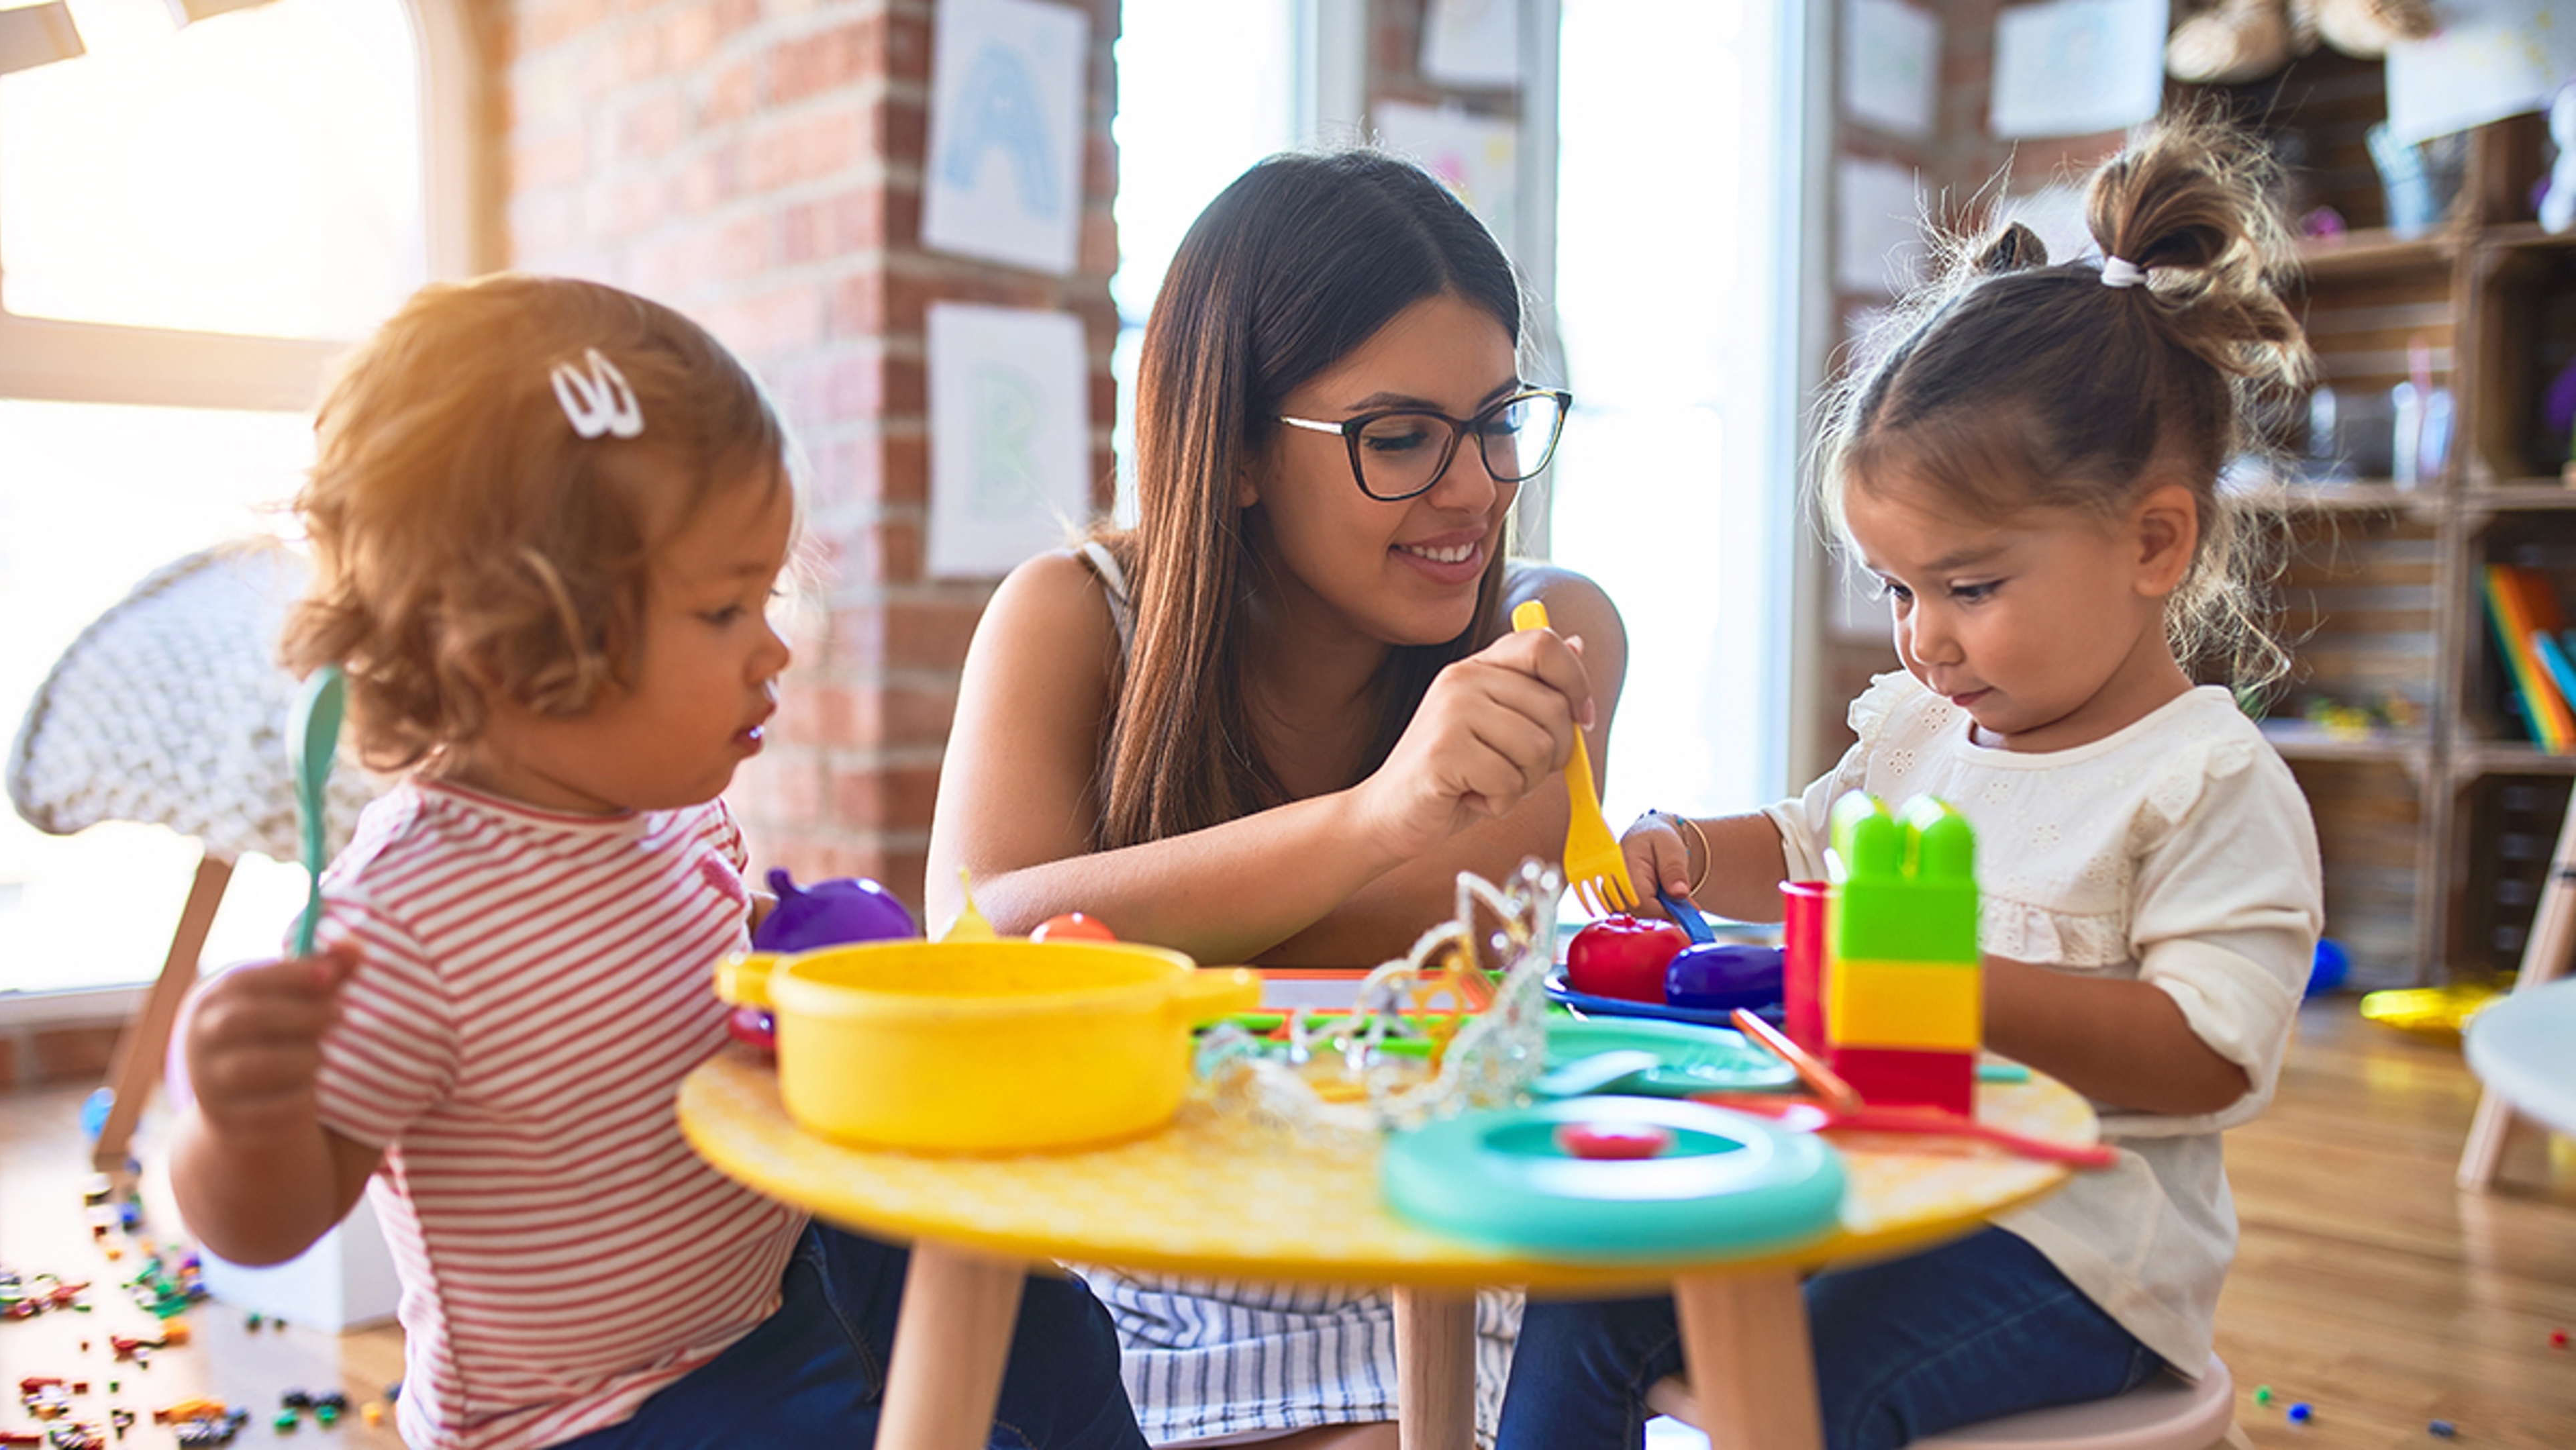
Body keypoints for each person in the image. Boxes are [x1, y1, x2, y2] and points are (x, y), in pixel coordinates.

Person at [170, 274, 1146, 1450]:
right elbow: (275, 1220)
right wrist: (236, 1122)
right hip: (601, 1412)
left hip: (776, 1284)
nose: (774, 644)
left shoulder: (668, 816)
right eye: (725, 609)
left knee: (1063, 1338)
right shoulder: (408, 918)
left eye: (768, 593)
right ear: (511, 637)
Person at [1497, 117, 2325, 1449]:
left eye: (1972, 587)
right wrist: (1686, 850)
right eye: (1898, 589)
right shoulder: (1924, 733)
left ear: (2154, 541)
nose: (1924, 638)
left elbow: (2210, 1057)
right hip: (1872, 1189)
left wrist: (1939, 987)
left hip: (2070, 1253)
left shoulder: (2201, 783)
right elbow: (1806, 839)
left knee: (1808, 1391)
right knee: (1585, 1299)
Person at [924, 150, 1626, 1445]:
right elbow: (982, 952)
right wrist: (1378, 816)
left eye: (1498, 419)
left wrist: (1139, 932)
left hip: (1435, 1264)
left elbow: (1441, 952)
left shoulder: (1549, 631)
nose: (1473, 487)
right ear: (1237, 448)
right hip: (1128, 1274)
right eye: (1402, 438)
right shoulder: (1072, 620)